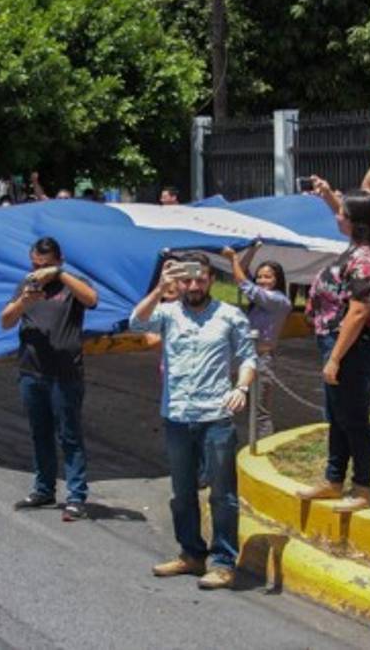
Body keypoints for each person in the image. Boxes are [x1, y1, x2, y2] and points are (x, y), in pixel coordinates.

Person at [130, 253, 256, 590]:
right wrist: (159, 288)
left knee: (222, 494)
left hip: (216, 416)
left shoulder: (230, 315)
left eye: (201, 279)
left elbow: (248, 356)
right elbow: (136, 323)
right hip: (177, 416)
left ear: (212, 279)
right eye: (187, 279)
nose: (194, 285)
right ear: (179, 281)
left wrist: (242, 387)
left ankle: (224, 561)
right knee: (182, 492)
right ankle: (191, 553)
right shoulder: (168, 313)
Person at [296, 187, 370, 512]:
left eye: (342, 213)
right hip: (339, 342)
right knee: (338, 417)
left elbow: (359, 311)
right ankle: (333, 479)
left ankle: (362, 487)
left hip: (353, 348)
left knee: (353, 419)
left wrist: (336, 358)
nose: (337, 216)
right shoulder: (358, 249)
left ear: (358, 223)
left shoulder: (364, 260)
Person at [0, 238, 99, 521]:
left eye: (44, 265)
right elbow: (5, 321)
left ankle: (76, 496)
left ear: (58, 260)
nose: (38, 270)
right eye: (35, 264)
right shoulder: (26, 285)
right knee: (39, 432)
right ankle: (43, 488)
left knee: (69, 435)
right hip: (32, 371)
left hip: (65, 373)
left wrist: (59, 274)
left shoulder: (71, 283)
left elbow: (91, 300)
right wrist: (23, 302)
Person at [221, 242, 290, 438]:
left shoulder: (278, 300)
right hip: (243, 358)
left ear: (278, 279)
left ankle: (264, 449)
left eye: (268, 277)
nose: (262, 280)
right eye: (259, 276)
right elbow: (241, 274)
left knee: (260, 413)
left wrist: (233, 258)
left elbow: (242, 281)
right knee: (231, 403)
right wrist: (253, 250)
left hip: (261, 360)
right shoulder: (262, 299)